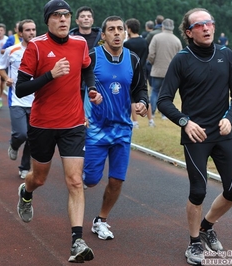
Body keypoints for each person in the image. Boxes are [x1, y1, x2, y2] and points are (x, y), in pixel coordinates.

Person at [15, 0, 102, 263]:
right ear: (48, 20)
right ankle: (26, 193)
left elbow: (86, 68)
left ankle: (77, 240)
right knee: (39, 178)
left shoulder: (80, 44)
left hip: (74, 123)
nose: (64, 20)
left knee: (75, 181)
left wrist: (92, 89)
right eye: (57, 16)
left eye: (66, 15)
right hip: (42, 124)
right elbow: (21, 89)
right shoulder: (36, 46)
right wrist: (50, 75)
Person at [157, 8, 232, 265]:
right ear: (188, 32)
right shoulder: (181, 60)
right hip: (195, 135)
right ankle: (194, 242)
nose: (206, 28)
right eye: (199, 25)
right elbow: (163, 100)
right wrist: (184, 122)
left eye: (209, 23)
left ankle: (207, 226)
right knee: (198, 190)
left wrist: (230, 118)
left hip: (223, 132)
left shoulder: (226, 55)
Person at [84, 15, 148, 241]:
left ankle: (100, 219)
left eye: (120, 29)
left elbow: (141, 88)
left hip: (122, 129)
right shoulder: (92, 57)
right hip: (95, 130)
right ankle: (82, 174)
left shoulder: (132, 59)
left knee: (117, 179)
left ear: (125, 32)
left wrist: (142, 103)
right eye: (111, 29)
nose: (117, 33)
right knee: (91, 180)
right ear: (103, 36)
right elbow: (75, 86)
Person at [0, 19, 36, 178]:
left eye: (33, 29)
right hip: (17, 99)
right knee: (22, 134)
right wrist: (6, 77)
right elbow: (0, 66)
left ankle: (24, 167)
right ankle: (14, 145)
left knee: (32, 137)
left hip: (36, 101)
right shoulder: (12, 50)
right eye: (27, 30)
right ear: (20, 33)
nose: (31, 33)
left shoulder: (40, 51)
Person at [148, 18, 182, 121]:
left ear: (163, 26)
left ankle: (152, 113)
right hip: (170, 73)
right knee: (166, 95)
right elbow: (180, 58)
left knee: (154, 91)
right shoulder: (177, 40)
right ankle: (164, 115)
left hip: (157, 70)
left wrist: (153, 63)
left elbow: (151, 54)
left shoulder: (156, 38)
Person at [124, 18, 154, 128]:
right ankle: (151, 120)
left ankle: (135, 122)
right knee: (144, 96)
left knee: (132, 97)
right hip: (143, 70)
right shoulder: (144, 41)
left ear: (129, 29)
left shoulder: (127, 44)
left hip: (131, 71)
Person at [69, 6, 102, 100]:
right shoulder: (70, 38)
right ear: (77, 21)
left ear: (92, 20)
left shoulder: (102, 38)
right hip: (76, 81)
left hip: (98, 79)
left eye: (89, 16)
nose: (86, 18)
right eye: (83, 16)